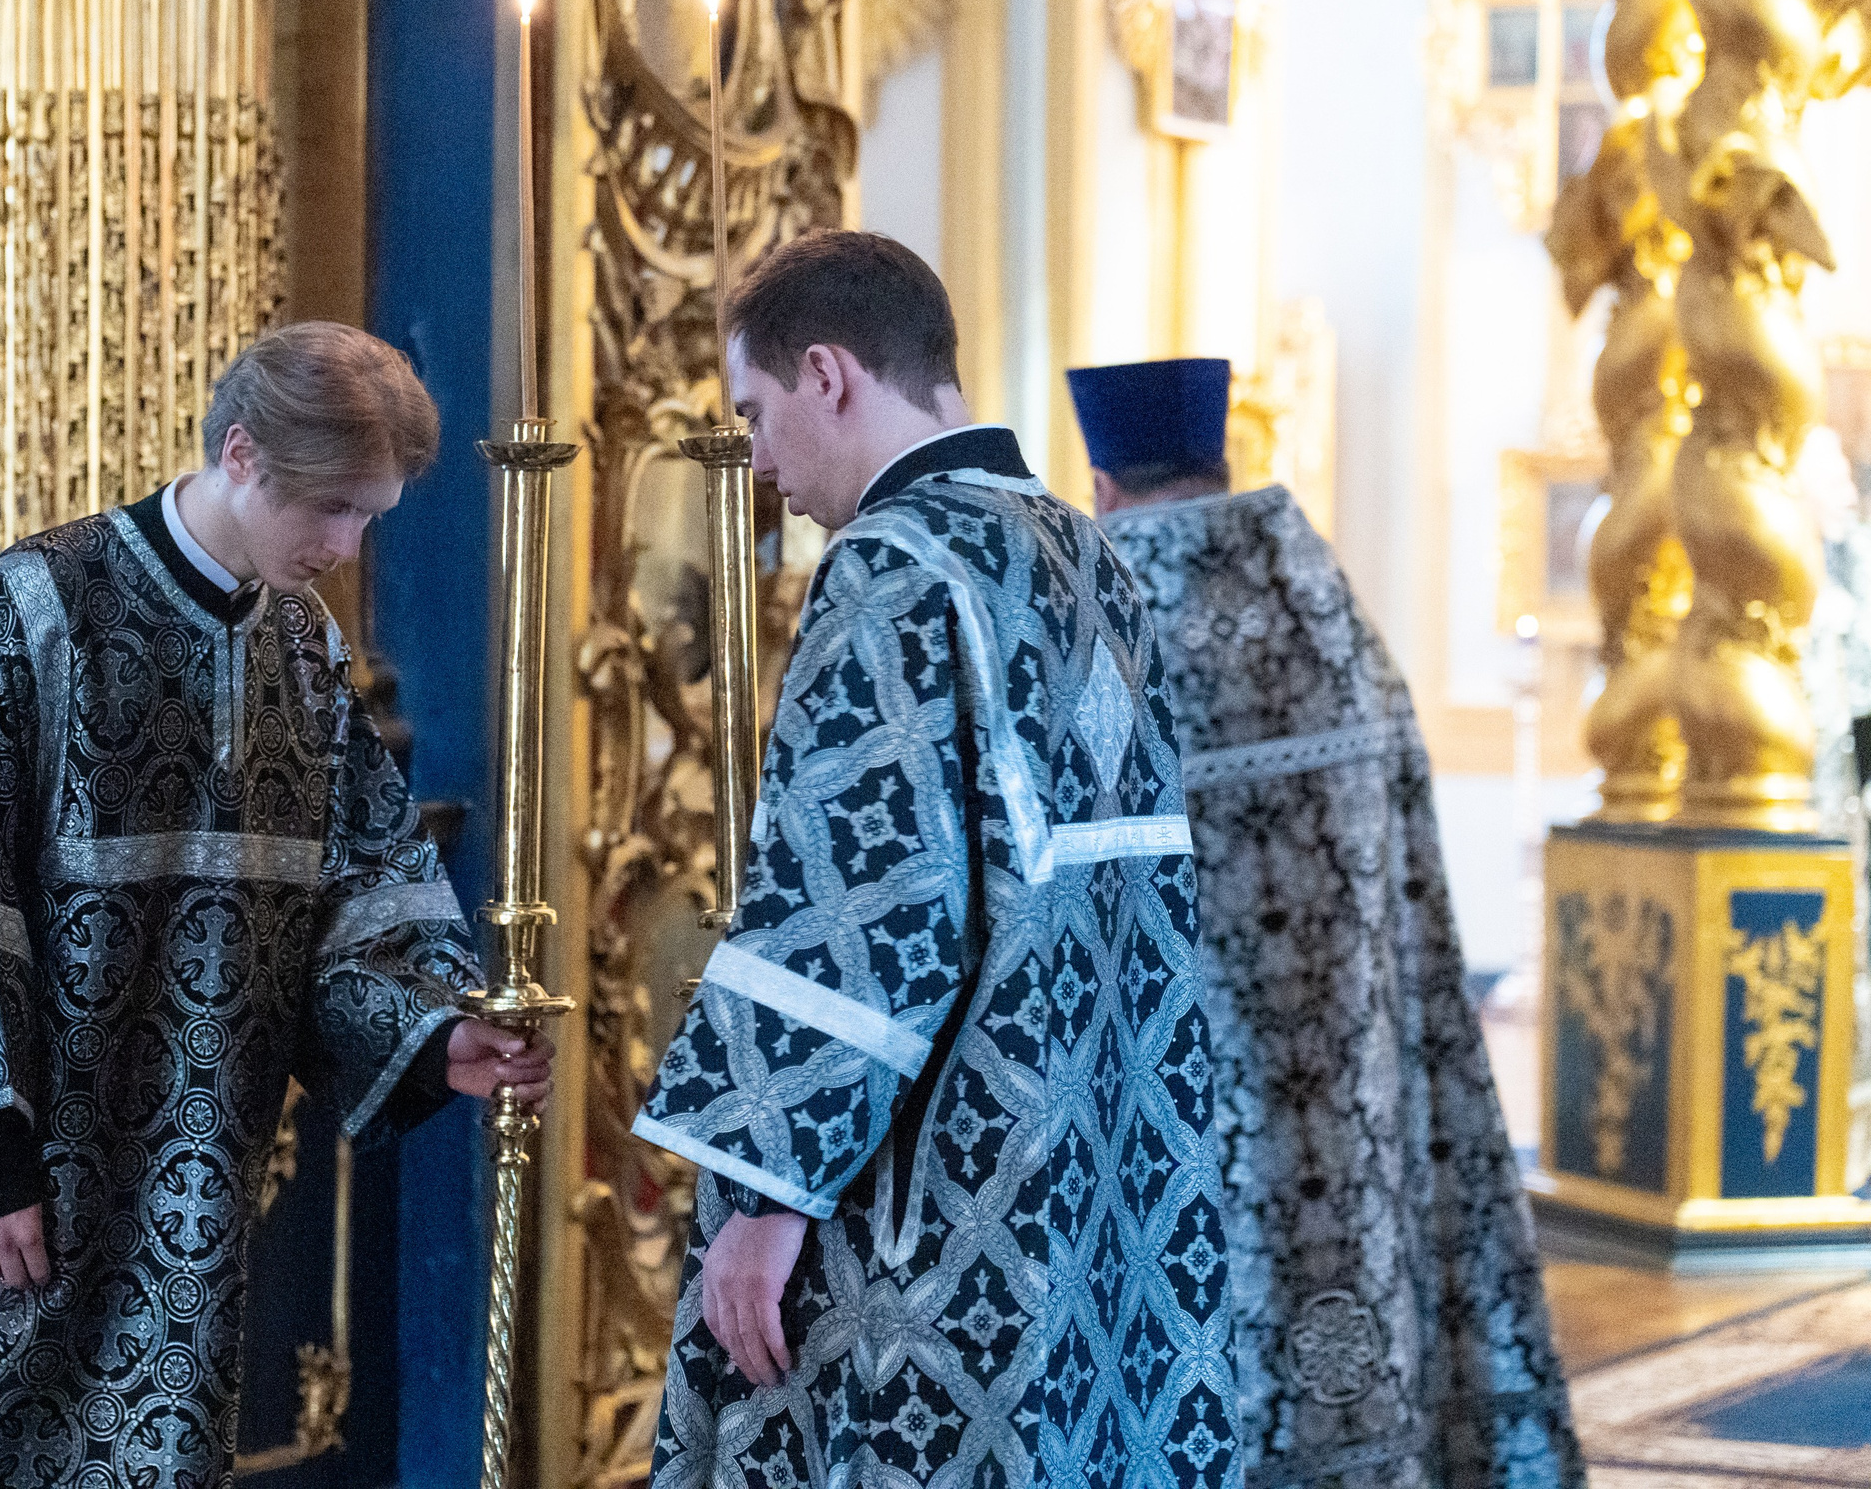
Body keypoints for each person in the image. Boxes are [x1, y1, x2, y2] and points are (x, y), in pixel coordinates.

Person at [0, 322, 552, 1489]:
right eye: (333, 509)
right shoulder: (25, 614)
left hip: (168, 1193)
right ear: (241, 454)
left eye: (370, 517)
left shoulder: (301, 650)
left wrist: (437, 1032)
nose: (346, 547)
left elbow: (359, 888)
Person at [636, 232, 1243, 1489]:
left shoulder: (894, 564)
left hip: (946, 1184)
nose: (753, 460)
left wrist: (764, 1194)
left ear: (828, 374)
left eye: (753, 414)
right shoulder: (1085, 550)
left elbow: (863, 908)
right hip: (1101, 1156)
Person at [1072, 358, 1584, 1488]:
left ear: (1102, 485)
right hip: (1349, 1110)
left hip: (1182, 1111)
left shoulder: (1100, 633)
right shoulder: (1325, 625)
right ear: (1223, 464)